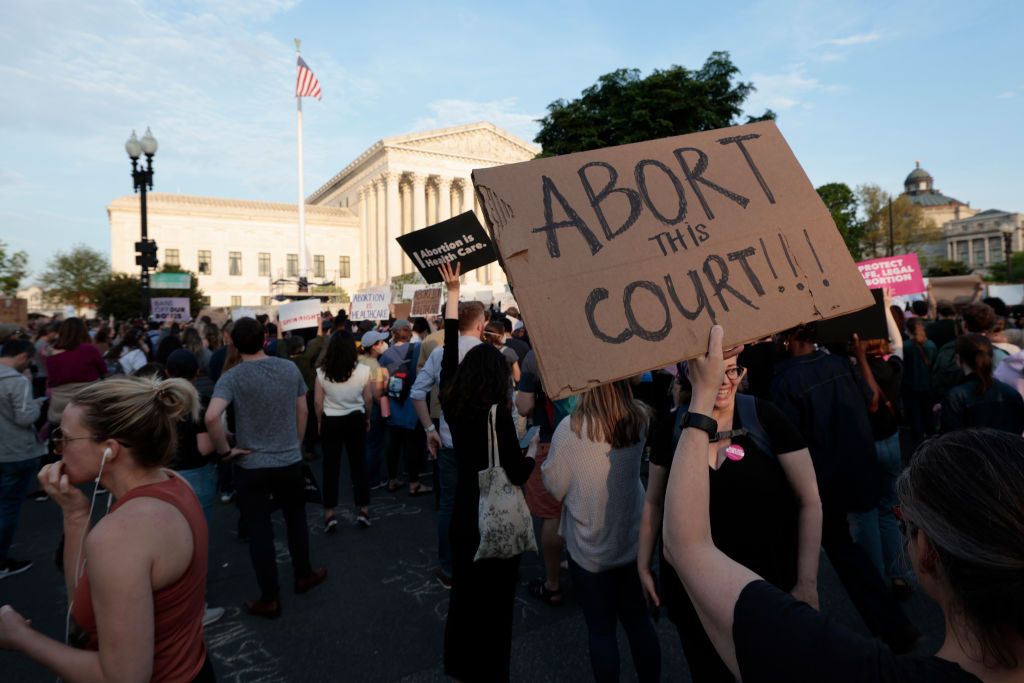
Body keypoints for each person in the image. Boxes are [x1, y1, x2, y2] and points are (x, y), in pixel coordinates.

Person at [663, 328, 1024, 682]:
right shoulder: (839, 367)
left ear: (928, 553)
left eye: (907, 524)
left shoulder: (846, 668)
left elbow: (687, 547)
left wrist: (701, 400)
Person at [0, 376, 215, 681]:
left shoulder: (122, 533)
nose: (58, 449)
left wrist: (20, 637)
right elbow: (87, 607)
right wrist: (75, 515)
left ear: (109, 450)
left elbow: (124, 678)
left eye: (66, 438)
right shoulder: (174, 482)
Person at [641, 355, 821, 682]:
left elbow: (810, 500)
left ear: (743, 373)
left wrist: (807, 583)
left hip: (767, 592)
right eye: (713, 370)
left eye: (732, 370)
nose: (724, 380)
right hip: (694, 598)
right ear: (689, 373)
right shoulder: (670, 427)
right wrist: (643, 565)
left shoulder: (766, 417)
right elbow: (654, 503)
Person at [772, 323, 920, 652]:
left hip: (819, 480)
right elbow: (870, 399)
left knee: (832, 550)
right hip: (856, 466)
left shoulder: (785, 381)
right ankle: (894, 624)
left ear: (789, 337)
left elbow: (785, 442)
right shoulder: (838, 365)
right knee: (849, 546)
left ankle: (805, 638)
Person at [439, 263, 535, 682]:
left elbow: (447, 352)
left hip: (464, 513)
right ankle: (492, 671)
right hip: (492, 519)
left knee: (463, 598)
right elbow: (516, 470)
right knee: (496, 608)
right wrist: (534, 454)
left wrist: (453, 295)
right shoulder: (497, 416)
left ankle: (459, 665)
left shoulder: (452, 403)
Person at [205, 318, 327, 618]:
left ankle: (269, 596)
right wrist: (296, 444)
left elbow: (211, 417)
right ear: (265, 338)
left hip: (251, 462)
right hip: (287, 459)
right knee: (296, 520)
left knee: (259, 530)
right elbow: (303, 409)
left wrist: (225, 451)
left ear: (233, 342)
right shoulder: (288, 368)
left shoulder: (233, 376)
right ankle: (303, 574)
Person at [542, 380, 661, 682]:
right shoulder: (640, 417)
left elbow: (555, 488)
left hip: (589, 549)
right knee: (639, 623)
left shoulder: (570, 429)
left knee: (601, 630)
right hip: (633, 541)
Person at [411, 299, 485, 589]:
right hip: (481, 445)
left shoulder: (441, 353)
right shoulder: (487, 354)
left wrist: (429, 428)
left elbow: (417, 393)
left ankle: (449, 568)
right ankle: (480, 563)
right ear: (480, 324)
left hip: (450, 442)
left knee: (450, 507)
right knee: (480, 504)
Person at [850, 296, 915, 599]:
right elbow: (899, 342)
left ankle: (874, 580)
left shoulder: (853, 373)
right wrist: (886, 305)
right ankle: (899, 575)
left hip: (864, 447)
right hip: (891, 443)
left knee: (865, 514)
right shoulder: (896, 368)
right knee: (889, 510)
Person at [314, 331, 373, 531]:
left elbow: (317, 402)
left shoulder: (321, 372)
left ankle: (330, 514)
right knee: (359, 465)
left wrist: (320, 422)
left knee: (330, 467)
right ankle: (363, 509)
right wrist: (367, 417)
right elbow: (369, 399)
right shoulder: (364, 370)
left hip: (331, 419)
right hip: (355, 418)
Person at [0, 340, 46, 578]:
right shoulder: (17, 382)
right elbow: (25, 418)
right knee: (7, 508)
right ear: (21, 357)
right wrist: (37, 405)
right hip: (15, 451)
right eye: (29, 359)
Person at [379, 320, 430, 495]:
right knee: (413, 446)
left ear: (393, 333)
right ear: (408, 332)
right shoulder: (418, 350)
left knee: (393, 446)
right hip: (414, 405)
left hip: (395, 406)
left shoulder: (386, 355)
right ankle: (414, 483)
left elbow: (384, 384)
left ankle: (392, 479)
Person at [940, 334, 1024, 434]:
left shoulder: (956, 396)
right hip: (1007, 448)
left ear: (958, 358)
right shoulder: (1011, 393)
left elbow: (950, 438)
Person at [45, 318, 107, 426]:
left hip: (59, 406)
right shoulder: (89, 350)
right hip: (86, 401)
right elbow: (103, 370)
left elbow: (52, 379)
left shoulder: (50, 354)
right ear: (83, 331)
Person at [360, 330, 390, 489]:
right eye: (380, 342)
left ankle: (360, 479)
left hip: (356, 408)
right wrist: (387, 412)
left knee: (362, 446)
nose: (383, 345)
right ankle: (372, 480)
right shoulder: (375, 366)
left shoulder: (357, 360)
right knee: (373, 446)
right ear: (374, 346)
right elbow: (377, 394)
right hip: (371, 411)